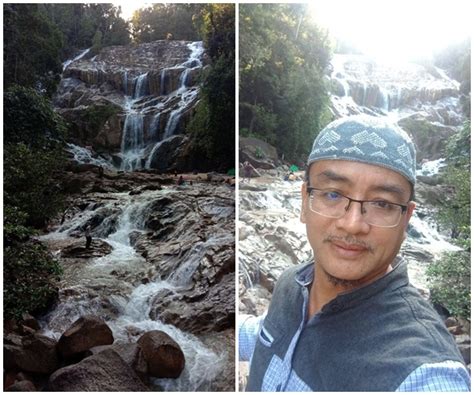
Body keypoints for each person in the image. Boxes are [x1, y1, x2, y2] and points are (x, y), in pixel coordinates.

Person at [239, 115, 470, 392]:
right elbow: (265, 334)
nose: (353, 224)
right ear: (304, 201)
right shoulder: (292, 285)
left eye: (381, 203)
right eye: (333, 195)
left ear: (406, 219)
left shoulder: (421, 370)